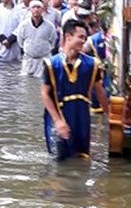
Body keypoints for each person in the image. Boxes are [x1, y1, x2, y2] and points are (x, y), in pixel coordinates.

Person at [41, 19, 109, 160]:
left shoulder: (92, 64)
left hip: (81, 116)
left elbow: (100, 90)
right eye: (81, 37)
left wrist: (110, 115)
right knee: (58, 159)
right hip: (59, 114)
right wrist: (58, 121)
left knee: (82, 157)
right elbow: (45, 94)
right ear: (68, 37)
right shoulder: (51, 64)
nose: (84, 41)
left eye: (85, 37)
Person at [14, 0, 56, 77]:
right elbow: (20, 41)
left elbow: (52, 42)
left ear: (42, 9)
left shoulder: (50, 26)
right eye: (33, 7)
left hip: (44, 59)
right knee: (26, 82)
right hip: (28, 59)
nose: (36, 9)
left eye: (38, 7)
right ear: (30, 9)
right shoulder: (23, 25)